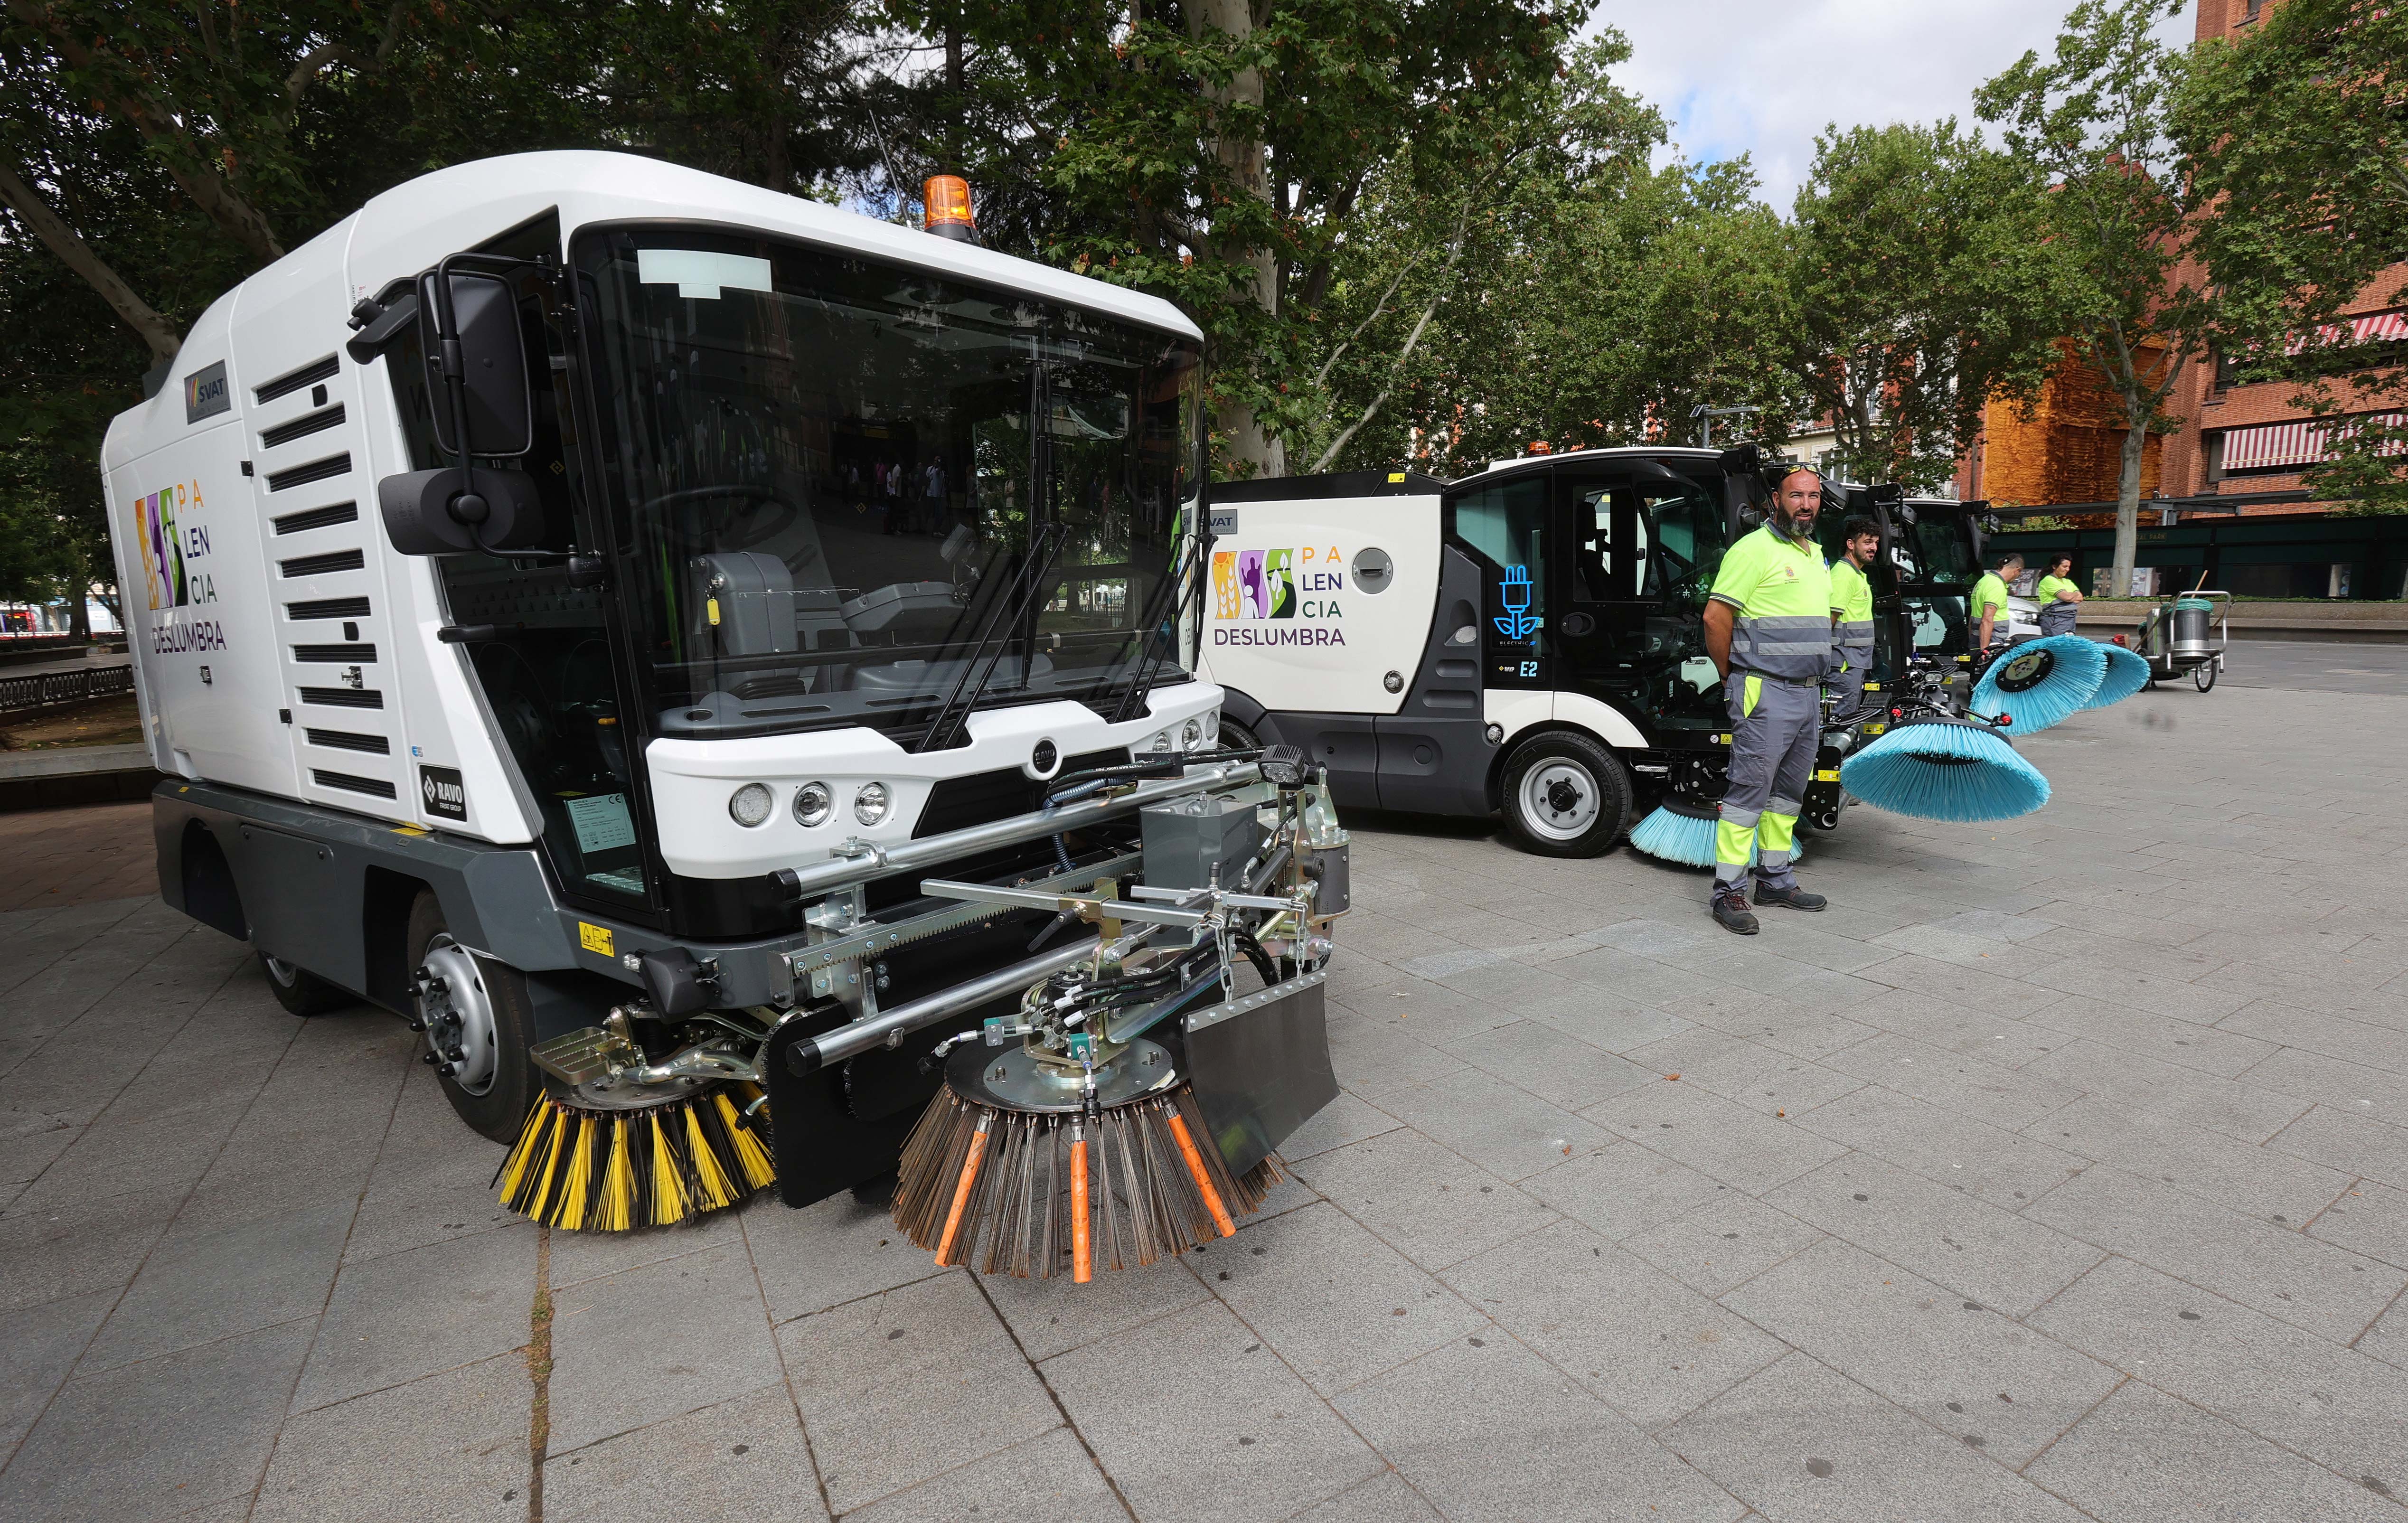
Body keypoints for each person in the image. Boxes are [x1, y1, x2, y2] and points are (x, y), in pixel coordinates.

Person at [1702, 467, 1833, 935]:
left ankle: (1774, 880)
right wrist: (1729, 677)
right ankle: (1727, 892)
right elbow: (1715, 618)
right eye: (1795, 495)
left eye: (1813, 496)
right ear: (1775, 499)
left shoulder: (1815, 553)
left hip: (1805, 693)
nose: (1804, 504)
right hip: (1764, 689)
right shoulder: (1752, 549)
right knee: (1747, 798)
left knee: (1786, 797)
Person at [1825, 515, 1880, 723]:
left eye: (1875, 543)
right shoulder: (1844, 575)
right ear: (1850, 544)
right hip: (1844, 664)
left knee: (1847, 718)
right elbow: (1828, 620)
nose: (1874, 547)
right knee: (1841, 722)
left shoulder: (1856, 574)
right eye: (1867, 542)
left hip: (1853, 662)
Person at [1969, 551, 2022, 661]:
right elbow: (1987, 619)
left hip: (1977, 637)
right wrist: (1985, 650)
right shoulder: (1997, 586)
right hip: (1992, 639)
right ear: (2017, 571)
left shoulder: (1984, 581)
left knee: (1977, 670)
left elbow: (1972, 616)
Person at [2033, 553, 2082, 637]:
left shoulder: (2067, 581)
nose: (2068, 569)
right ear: (2055, 567)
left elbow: (2080, 597)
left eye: (2069, 567)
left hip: (2069, 619)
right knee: (2057, 645)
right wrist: (2073, 595)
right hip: (2055, 619)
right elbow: (2067, 597)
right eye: (2065, 567)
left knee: (2068, 645)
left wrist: (2070, 596)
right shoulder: (2049, 580)